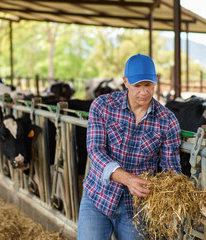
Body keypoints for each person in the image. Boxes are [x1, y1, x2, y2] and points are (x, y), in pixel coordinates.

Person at [77, 53, 182, 240]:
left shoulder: (167, 121)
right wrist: (127, 179)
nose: (144, 92)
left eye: (148, 85)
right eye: (137, 86)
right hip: (98, 196)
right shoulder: (102, 106)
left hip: (137, 207)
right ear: (125, 82)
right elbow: (95, 151)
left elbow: (171, 169)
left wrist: (171, 194)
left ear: (156, 81)